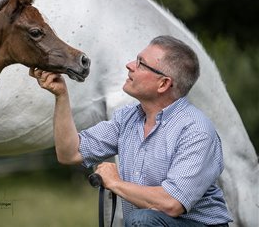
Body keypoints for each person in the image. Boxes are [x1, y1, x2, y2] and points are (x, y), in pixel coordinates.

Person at [29, 35, 233, 227]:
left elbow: (172, 203)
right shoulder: (128, 118)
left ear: (163, 84)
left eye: (141, 63)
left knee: (142, 220)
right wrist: (61, 96)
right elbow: (70, 153)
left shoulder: (196, 130)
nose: (129, 65)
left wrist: (115, 183)